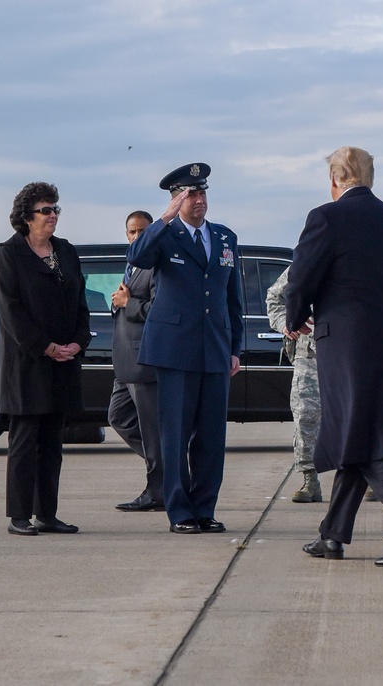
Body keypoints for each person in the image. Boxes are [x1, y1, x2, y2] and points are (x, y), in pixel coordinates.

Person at [286, 146, 383, 567]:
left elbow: (300, 279)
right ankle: (332, 535)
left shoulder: (326, 217)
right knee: (361, 432)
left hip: (348, 346)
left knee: (368, 441)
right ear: (370, 177)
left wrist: (294, 318)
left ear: (335, 178)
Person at [125, 163, 243, 534]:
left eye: (202, 192)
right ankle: (179, 512)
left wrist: (235, 348)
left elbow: (231, 298)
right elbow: (137, 257)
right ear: (177, 198)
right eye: (190, 194)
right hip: (175, 350)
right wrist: (163, 220)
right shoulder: (164, 236)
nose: (199, 200)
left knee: (211, 435)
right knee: (175, 434)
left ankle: (205, 507)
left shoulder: (224, 238)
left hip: (215, 348)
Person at [0, 182, 90, 536]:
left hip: (64, 361)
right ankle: (19, 516)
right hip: (28, 362)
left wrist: (77, 343)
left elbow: (81, 301)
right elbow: (11, 311)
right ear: (26, 217)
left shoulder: (65, 251)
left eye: (55, 210)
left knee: (53, 442)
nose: (52, 216)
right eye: (45, 210)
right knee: (25, 439)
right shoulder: (10, 254)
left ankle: (46, 514)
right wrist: (46, 346)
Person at [110, 210, 165, 512]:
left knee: (152, 431)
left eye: (143, 231)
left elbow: (159, 310)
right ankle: (168, 471)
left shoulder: (156, 265)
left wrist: (127, 303)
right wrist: (117, 301)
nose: (136, 237)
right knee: (118, 417)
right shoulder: (131, 265)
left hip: (145, 361)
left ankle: (158, 491)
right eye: (132, 232)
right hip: (124, 362)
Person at [266, 267, 322, 503]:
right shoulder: (309, 260)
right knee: (305, 417)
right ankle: (310, 479)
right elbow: (275, 297)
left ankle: (369, 477)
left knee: (360, 418)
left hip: (352, 352)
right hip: (310, 355)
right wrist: (287, 324)